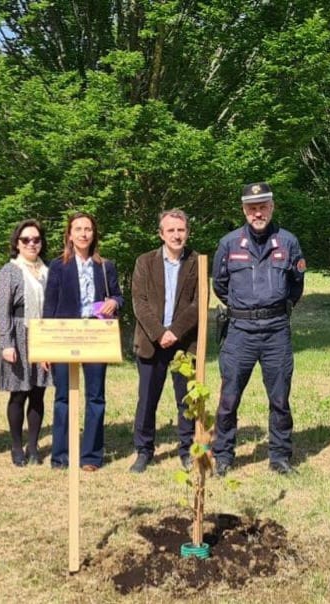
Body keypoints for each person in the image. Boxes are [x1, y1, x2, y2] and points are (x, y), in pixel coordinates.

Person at [212, 182, 305, 476]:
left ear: (272, 207)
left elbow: (296, 285)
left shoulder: (288, 242)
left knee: (279, 398)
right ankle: (224, 456)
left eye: (263, 206)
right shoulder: (229, 244)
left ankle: (279, 456)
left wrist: (274, 306)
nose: (257, 212)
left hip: (276, 329)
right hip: (240, 330)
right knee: (229, 398)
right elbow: (220, 285)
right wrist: (245, 308)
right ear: (244, 210)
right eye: (252, 208)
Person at [43, 212, 123, 471]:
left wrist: (114, 302)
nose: (83, 234)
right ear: (69, 234)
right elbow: (50, 305)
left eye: (88, 229)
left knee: (95, 397)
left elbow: (118, 297)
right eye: (78, 229)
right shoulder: (58, 265)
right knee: (63, 397)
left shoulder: (104, 266)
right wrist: (46, 346)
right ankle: (61, 456)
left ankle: (91, 457)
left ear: (94, 234)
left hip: (96, 336)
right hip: (65, 336)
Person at [130, 209, 198, 474]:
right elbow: (139, 302)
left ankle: (187, 450)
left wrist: (175, 332)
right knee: (147, 400)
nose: (176, 235)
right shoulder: (144, 262)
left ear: (187, 232)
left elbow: (197, 304)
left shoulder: (196, 262)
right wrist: (160, 333)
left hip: (184, 343)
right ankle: (144, 451)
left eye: (180, 230)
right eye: (170, 230)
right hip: (151, 342)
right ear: (161, 234)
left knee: (187, 400)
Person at [0, 219, 50, 467]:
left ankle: (33, 446)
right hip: (18, 336)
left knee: (38, 393)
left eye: (36, 239)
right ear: (17, 243)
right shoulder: (10, 271)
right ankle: (16, 447)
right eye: (26, 239)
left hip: (42, 335)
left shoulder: (49, 270)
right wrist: (6, 343)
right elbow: (2, 311)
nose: (31, 243)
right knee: (19, 394)